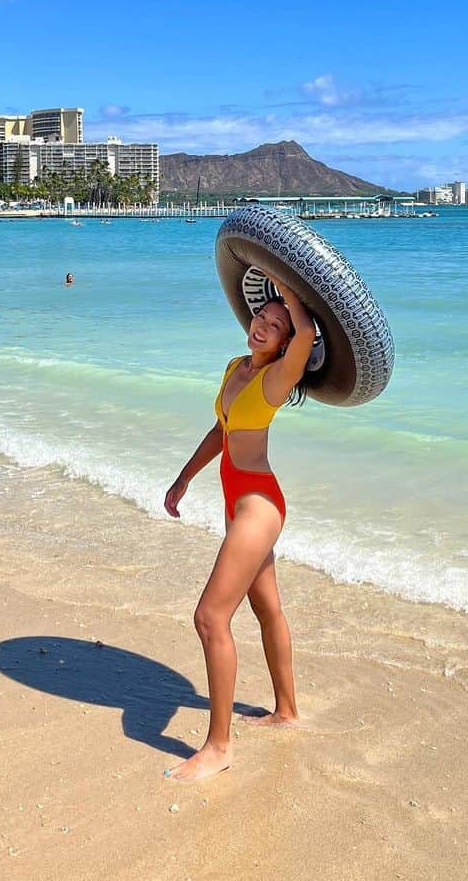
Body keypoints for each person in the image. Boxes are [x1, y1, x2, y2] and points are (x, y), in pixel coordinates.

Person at [162, 276, 315, 783]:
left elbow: (308, 336)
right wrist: (183, 479)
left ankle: (219, 746)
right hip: (235, 499)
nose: (263, 327)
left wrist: (293, 294)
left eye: (276, 327)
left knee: (209, 618)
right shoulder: (235, 368)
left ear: (285, 342)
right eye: (261, 317)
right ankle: (287, 710)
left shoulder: (275, 379)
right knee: (266, 607)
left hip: (259, 506)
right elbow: (220, 431)